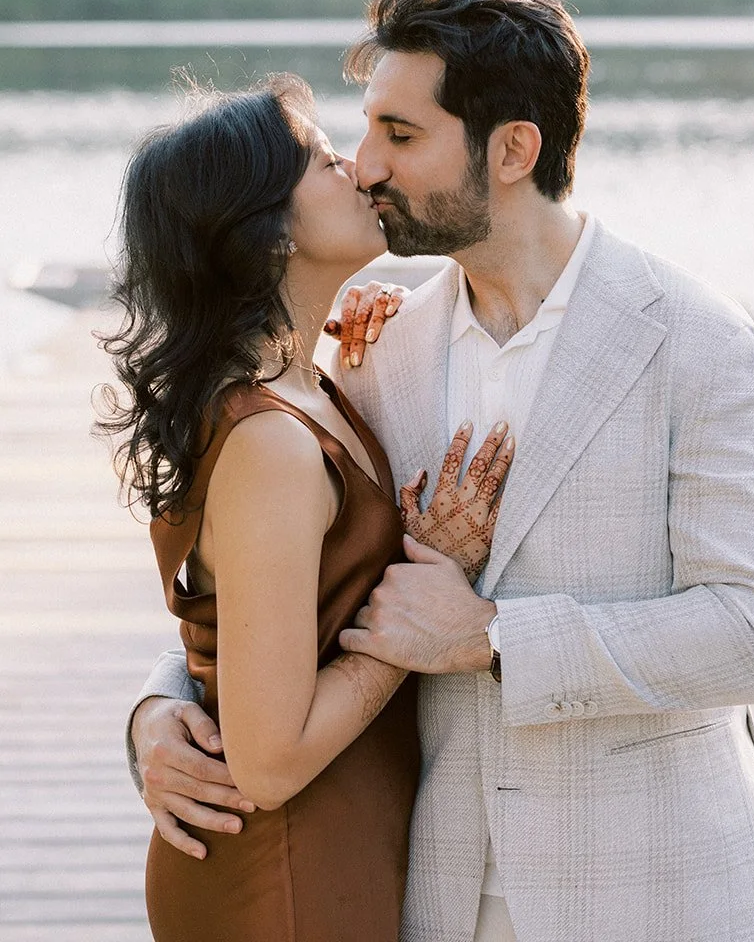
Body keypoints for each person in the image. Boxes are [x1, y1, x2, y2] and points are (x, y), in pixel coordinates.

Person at [129, 0, 754, 942]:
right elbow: (277, 575)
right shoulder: (373, 350)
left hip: (652, 889)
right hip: (432, 894)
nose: (364, 166)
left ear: (513, 149)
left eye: (399, 137)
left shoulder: (702, 344)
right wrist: (158, 707)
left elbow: (750, 633)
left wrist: (489, 637)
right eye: (362, 133)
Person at [100, 74, 512, 942]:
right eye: (328, 161)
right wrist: (409, 626)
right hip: (281, 871)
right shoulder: (271, 443)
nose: (364, 172)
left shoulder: (308, 381)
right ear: (270, 231)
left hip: (341, 842)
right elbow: (271, 757)